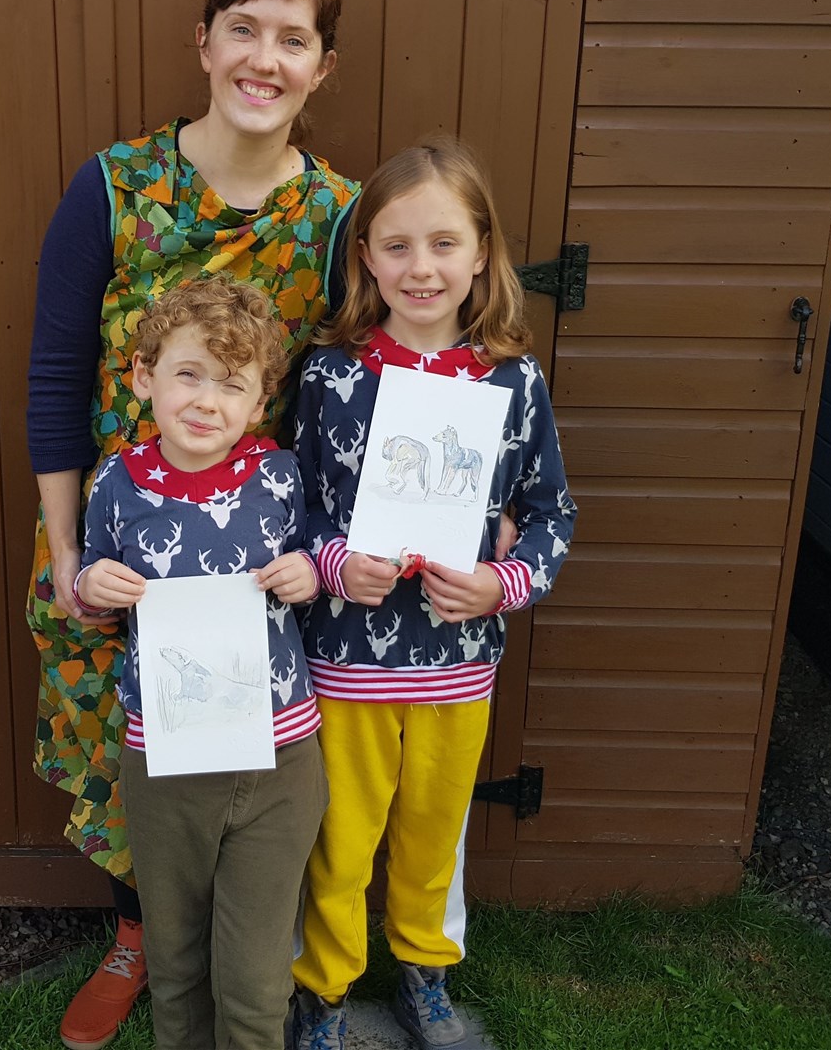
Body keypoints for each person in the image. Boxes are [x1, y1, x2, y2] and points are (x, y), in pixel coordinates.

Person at [26, 0, 358, 1050]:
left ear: (322, 66)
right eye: (246, 28)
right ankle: (140, 936)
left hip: (259, 549)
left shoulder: (340, 216)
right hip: (121, 542)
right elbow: (56, 374)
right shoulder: (115, 186)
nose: (265, 57)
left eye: (294, 37)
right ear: (205, 43)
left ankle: (256, 964)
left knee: (247, 760)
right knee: (130, 745)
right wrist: (70, 554)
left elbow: (365, 380)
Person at [291, 138, 577, 1050]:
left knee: (432, 837)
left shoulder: (512, 379)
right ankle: (324, 992)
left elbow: (551, 513)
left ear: (483, 252)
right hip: (347, 664)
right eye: (398, 245)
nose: (422, 268)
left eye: (445, 243)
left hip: (458, 669)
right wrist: (338, 565)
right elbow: (289, 511)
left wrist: (502, 580)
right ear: (365, 255)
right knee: (340, 841)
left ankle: (424, 973)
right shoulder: (331, 373)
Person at [73, 278, 327, 1050]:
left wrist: (310, 573)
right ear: (145, 376)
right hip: (168, 763)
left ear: (258, 404)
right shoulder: (117, 484)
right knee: (179, 965)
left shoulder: (281, 477)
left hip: (278, 757)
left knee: (253, 980)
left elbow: (322, 567)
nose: (207, 400)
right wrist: (91, 583)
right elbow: (92, 589)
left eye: (232, 384)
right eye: (189, 374)